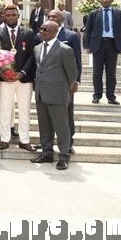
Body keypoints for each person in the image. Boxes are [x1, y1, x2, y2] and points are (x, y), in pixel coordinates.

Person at [31, 20, 78, 170]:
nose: (42, 32)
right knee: (44, 126)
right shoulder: (37, 48)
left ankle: (63, 156)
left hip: (57, 94)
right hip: (41, 93)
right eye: (41, 29)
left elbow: (72, 74)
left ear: (55, 31)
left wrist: (65, 89)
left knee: (61, 127)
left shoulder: (65, 50)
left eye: (45, 29)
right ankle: (47, 153)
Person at [0, 4, 36, 151]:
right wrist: (1, 73)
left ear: (18, 15)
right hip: (6, 79)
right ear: (4, 16)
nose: (10, 17)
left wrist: (22, 72)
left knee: (24, 109)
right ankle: (4, 139)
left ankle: (24, 140)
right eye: (8, 15)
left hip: (24, 78)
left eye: (13, 15)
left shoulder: (29, 33)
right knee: (5, 108)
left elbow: (32, 55)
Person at [45, 9, 82, 153]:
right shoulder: (41, 35)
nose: (51, 18)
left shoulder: (71, 36)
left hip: (65, 82)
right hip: (47, 82)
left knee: (67, 113)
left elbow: (77, 60)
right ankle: (47, 143)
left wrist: (76, 81)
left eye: (54, 16)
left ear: (62, 18)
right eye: (49, 16)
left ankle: (68, 142)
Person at [83, 0, 121, 105]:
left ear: (111, 0)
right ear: (100, 1)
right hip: (98, 45)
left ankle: (111, 97)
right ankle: (96, 95)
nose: (105, 0)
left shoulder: (118, 13)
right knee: (97, 72)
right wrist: (87, 46)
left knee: (111, 72)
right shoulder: (93, 14)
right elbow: (88, 30)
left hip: (112, 44)